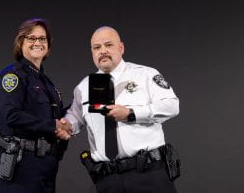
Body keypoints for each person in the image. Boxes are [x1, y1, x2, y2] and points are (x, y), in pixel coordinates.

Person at [58, 26, 180, 193]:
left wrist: (131, 113)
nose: (103, 51)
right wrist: (67, 126)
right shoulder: (84, 87)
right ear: (92, 52)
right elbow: (75, 117)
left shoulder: (145, 75)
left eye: (108, 45)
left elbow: (172, 105)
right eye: (97, 47)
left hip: (148, 174)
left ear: (121, 48)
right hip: (108, 179)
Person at [0, 18, 70, 193]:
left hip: (46, 164)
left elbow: (55, 118)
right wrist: (53, 126)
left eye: (42, 39)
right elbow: (11, 116)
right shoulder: (12, 76)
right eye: (31, 38)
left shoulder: (47, 83)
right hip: (20, 165)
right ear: (21, 43)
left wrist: (80, 108)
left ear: (48, 45)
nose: (37, 43)